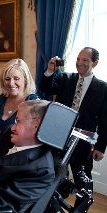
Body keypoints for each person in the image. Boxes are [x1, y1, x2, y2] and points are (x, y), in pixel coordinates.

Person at [39, 47, 107, 189]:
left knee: (83, 180)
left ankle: (82, 207)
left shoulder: (103, 88)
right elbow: (46, 88)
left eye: (85, 60)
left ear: (95, 63)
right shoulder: (65, 78)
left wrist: (100, 147)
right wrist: (50, 70)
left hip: (84, 141)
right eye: (78, 59)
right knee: (56, 176)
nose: (79, 63)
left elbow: (104, 120)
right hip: (59, 137)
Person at [0, 58, 38, 140]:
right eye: (7, 79)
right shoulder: (2, 99)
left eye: (16, 78)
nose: (11, 83)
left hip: (20, 151)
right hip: (0, 150)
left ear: (26, 80)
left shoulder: (32, 102)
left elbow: (34, 137)